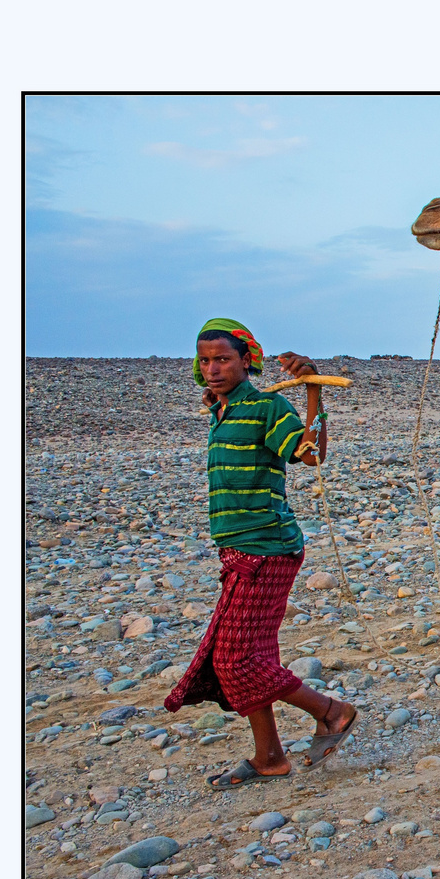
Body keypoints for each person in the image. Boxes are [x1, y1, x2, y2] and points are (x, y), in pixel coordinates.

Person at [164, 317, 357, 788]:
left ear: (246, 361)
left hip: (267, 550)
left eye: (223, 359)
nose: (212, 368)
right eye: (205, 360)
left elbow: (310, 455)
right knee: (251, 653)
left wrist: (313, 391)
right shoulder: (222, 410)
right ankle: (269, 756)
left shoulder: (267, 406)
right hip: (238, 552)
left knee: (235, 661)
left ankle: (333, 712)